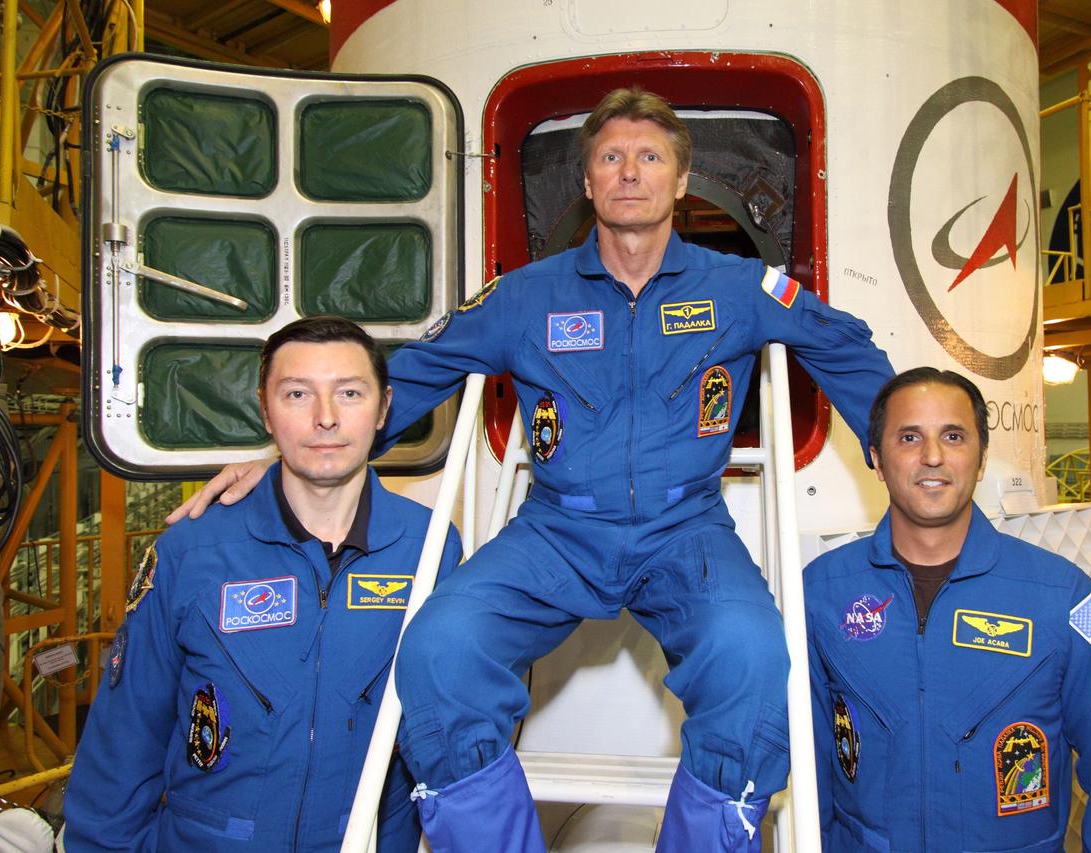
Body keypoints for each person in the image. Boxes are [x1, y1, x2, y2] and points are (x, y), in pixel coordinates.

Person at [169, 88, 894, 852]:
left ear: (682, 181)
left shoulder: (737, 288)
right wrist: (291, 451)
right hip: (556, 530)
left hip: (687, 531)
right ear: (586, 182)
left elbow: (839, 342)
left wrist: (894, 438)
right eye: (610, 158)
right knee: (439, 648)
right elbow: (414, 372)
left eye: (650, 158)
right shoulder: (525, 297)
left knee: (750, 654)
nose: (629, 173)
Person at [65, 316, 463, 851]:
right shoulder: (194, 551)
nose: (326, 418)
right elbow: (124, 737)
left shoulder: (430, 548)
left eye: (349, 393)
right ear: (265, 412)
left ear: (383, 408)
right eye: (297, 394)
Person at [805, 367, 1091, 852]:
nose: (933, 457)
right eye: (908, 437)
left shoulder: (1067, 597)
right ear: (877, 460)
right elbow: (810, 768)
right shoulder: (821, 593)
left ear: (981, 459)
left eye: (954, 436)